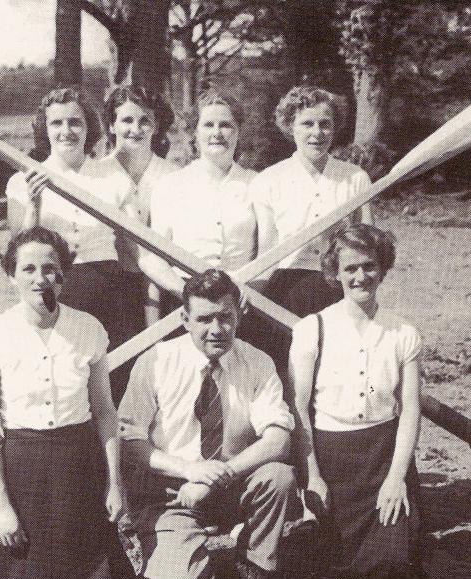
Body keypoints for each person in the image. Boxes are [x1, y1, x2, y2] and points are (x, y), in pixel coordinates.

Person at [118, 269, 298, 579]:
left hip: (234, 484)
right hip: (172, 494)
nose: (217, 329)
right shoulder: (157, 361)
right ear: (184, 319)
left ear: (239, 316)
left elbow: (278, 440)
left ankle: (255, 563)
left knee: (278, 477)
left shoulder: (257, 362)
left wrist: (212, 478)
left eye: (225, 317)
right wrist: (189, 471)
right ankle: (182, 548)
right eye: (204, 319)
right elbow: (130, 440)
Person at [0, 226, 125, 579]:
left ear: (64, 274)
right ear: (11, 276)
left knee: (92, 567)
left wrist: (114, 484)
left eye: (50, 268)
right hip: (26, 467)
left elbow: (104, 412)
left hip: (80, 463)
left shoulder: (89, 328)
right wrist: (2, 508)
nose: (41, 279)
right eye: (28, 269)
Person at [289, 224, 425, 579]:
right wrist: (313, 476)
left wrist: (397, 478)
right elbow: (299, 408)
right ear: (335, 273)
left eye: (369, 266)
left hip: (383, 456)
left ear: (383, 268)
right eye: (350, 268)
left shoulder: (404, 333)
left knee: (392, 563)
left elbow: (410, 410)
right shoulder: (312, 328)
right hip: (330, 457)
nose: (360, 276)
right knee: (325, 563)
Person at [4, 87, 139, 404]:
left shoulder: (113, 175)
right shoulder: (24, 180)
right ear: (45, 129)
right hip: (55, 288)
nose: (67, 131)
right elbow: (19, 250)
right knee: (64, 376)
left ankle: (112, 451)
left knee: (113, 377)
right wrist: (34, 206)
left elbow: (135, 241)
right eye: (57, 123)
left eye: (75, 122)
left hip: (109, 288)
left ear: (88, 127)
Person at [249, 85, 374, 367]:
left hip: (339, 289)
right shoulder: (269, 180)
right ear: (290, 127)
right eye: (307, 124)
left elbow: (369, 249)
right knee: (289, 371)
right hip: (286, 291)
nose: (317, 133)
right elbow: (267, 253)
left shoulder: (355, 178)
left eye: (325, 124)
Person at [139, 89, 258, 317]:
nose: (217, 133)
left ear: (238, 131)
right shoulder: (170, 185)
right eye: (208, 125)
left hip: (241, 301)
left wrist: (249, 288)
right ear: (195, 132)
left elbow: (266, 250)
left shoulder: (256, 183)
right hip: (185, 302)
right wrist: (186, 292)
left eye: (226, 125)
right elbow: (154, 257)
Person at [97, 85, 179, 322]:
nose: (136, 129)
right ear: (112, 125)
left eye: (145, 121)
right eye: (127, 120)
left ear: (155, 126)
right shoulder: (98, 174)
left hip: (168, 286)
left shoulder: (173, 176)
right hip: (114, 286)